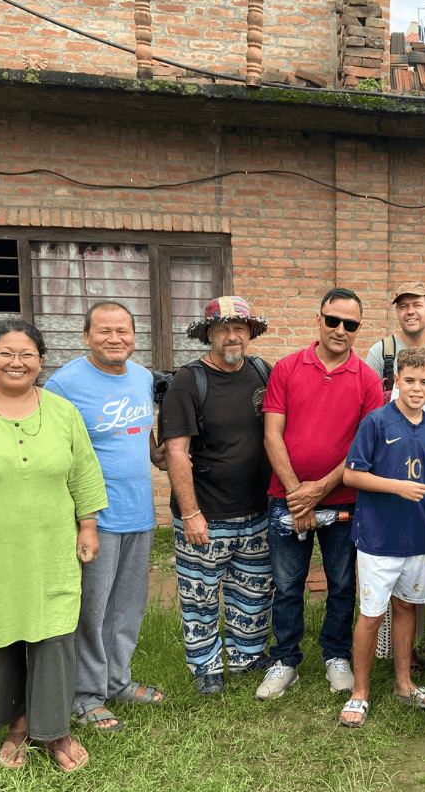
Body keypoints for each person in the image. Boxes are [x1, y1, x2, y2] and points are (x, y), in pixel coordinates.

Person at [0, 320, 106, 771]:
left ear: (41, 360)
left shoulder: (61, 412)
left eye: (27, 354)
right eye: (6, 353)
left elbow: (84, 473)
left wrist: (87, 526)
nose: (17, 362)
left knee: (53, 634)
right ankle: (15, 723)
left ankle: (54, 729)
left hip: (53, 547)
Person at [44, 302, 164, 732]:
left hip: (140, 510)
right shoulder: (65, 383)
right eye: (104, 331)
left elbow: (141, 432)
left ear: (135, 336)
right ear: (86, 336)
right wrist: (80, 517)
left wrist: (158, 453)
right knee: (91, 611)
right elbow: (53, 447)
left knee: (127, 607)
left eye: (124, 331)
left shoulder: (142, 377)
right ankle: (85, 695)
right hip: (94, 516)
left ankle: (117, 681)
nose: (115, 339)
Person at [257, 288, 383, 701]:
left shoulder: (366, 378)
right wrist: (297, 494)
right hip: (286, 498)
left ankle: (336, 656)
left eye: (351, 324)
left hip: (344, 500)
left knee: (342, 584)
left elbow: (363, 449)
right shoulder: (288, 369)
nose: (340, 330)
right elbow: (271, 433)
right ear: (319, 320)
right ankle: (286, 660)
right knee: (288, 583)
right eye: (333, 320)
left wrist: (321, 489)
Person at [160, 296, 274, 696]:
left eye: (239, 328)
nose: (232, 335)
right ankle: (206, 665)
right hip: (206, 514)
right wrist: (190, 513)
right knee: (201, 596)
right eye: (222, 328)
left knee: (254, 591)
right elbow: (176, 451)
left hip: (257, 510)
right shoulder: (188, 381)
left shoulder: (263, 371)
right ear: (209, 334)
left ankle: (248, 655)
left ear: (251, 333)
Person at [340, 347, 425, 726]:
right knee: (371, 614)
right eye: (409, 381)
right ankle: (360, 690)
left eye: (424, 383)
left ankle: (404, 683)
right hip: (378, 537)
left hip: (417, 537)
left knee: (406, 609)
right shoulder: (377, 422)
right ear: (395, 381)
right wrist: (396, 487)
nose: (416, 389)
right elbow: (351, 475)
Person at [365, 281, 425, 395]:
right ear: (397, 312)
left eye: (417, 305)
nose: (410, 311)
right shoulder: (380, 352)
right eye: (403, 306)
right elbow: (368, 400)